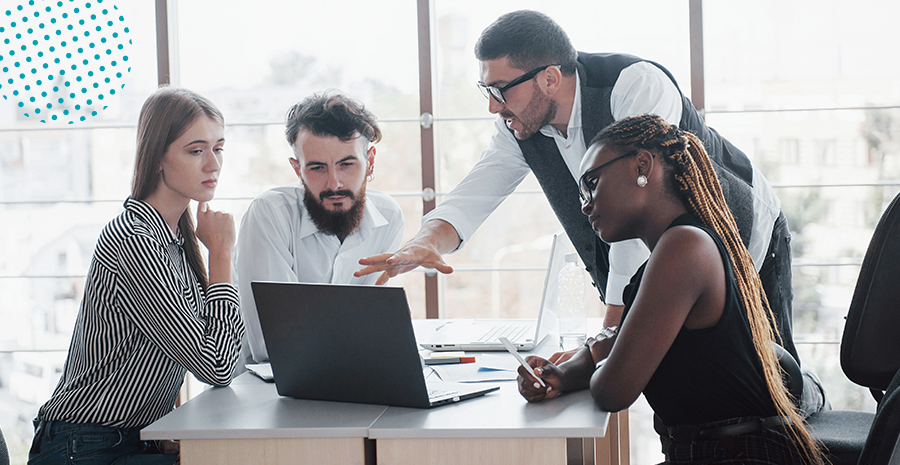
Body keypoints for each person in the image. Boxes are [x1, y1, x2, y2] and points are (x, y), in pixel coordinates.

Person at [356, 9, 826, 415]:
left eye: (501, 89)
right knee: (691, 387)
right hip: (664, 272)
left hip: (744, 239)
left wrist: (606, 337)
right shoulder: (522, 127)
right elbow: (479, 188)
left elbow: (632, 218)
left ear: (550, 77)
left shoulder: (633, 85)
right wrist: (425, 241)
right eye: (487, 91)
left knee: (771, 392)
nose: (494, 106)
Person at [517, 114, 822, 464]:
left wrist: (602, 354)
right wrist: (558, 375)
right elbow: (622, 346)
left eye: (591, 183)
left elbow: (613, 390)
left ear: (641, 165)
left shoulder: (684, 248)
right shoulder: (667, 255)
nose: (584, 204)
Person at [28, 87, 244, 464]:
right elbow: (218, 366)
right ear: (158, 157)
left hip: (128, 441)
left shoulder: (174, 239)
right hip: (83, 448)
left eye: (218, 148)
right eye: (196, 150)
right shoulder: (136, 240)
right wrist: (222, 253)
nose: (213, 164)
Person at [235, 91, 404, 363]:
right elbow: (271, 343)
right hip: (262, 387)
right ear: (297, 169)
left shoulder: (389, 217)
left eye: (346, 164)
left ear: (369, 162)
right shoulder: (269, 214)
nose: (334, 184)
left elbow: (369, 324)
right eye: (317, 168)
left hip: (346, 373)